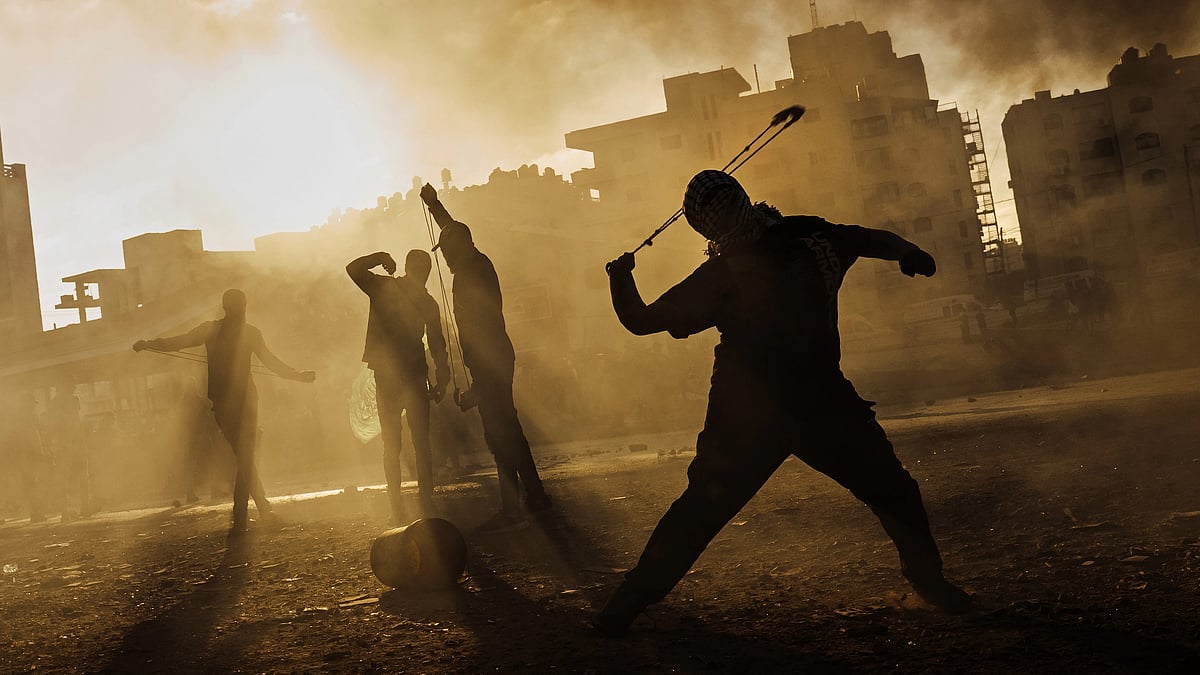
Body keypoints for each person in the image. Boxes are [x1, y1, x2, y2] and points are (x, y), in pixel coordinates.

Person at [594, 170, 972, 636]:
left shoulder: (723, 273)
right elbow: (871, 239)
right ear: (744, 199)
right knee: (893, 491)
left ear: (703, 229)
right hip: (819, 401)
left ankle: (625, 606)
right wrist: (907, 253)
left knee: (702, 508)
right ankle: (930, 583)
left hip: (748, 411)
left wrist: (619, 278)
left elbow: (640, 320)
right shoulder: (809, 236)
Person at [420, 183, 551, 533]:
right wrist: (435, 205)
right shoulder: (474, 262)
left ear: (457, 249)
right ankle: (534, 497)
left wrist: (478, 387)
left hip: (490, 360)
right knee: (507, 429)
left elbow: (483, 329)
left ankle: (515, 506)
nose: (443, 257)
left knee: (500, 434)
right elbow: (454, 228)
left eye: (446, 251)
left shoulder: (470, 273)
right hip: (494, 358)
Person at [133, 289, 316, 537]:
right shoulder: (248, 332)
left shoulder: (220, 330)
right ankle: (248, 515)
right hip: (243, 404)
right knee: (246, 457)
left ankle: (256, 512)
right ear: (240, 307)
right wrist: (298, 376)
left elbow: (179, 341)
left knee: (245, 457)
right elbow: (272, 363)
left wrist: (149, 344)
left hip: (229, 406)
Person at [347, 249, 450, 522]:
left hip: (389, 376)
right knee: (420, 441)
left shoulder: (384, 287)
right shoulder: (426, 302)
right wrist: (443, 377)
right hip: (413, 375)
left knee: (391, 444)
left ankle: (397, 505)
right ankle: (425, 502)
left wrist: (379, 257)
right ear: (425, 272)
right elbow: (438, 345)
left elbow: (353, 268)